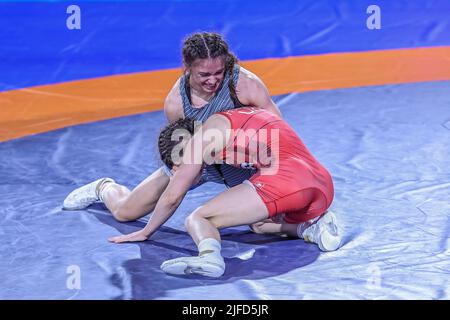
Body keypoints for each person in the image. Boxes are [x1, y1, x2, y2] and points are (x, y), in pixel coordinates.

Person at [63, 31, 281, 222]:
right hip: (200, 163)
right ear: (187, 67)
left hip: (243, 162)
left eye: (218, 72)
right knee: (125, 212)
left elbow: (279, 132)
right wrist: (181, 168)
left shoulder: (244, 84)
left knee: (266, 220)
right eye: (204, 74)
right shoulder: (176, 103)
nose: (213, 80)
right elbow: (182, 151)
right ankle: (104, 188)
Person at [109, 107, 341, 278]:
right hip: (320, 186)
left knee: (199, 218)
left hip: (286, 181)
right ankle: (311, 228)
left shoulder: (201, 140)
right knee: (258, 223)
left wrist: (146, 231)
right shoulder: (233, 122)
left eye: (180, 166)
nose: (184, 171)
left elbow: (173, 197)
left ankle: (209, 257)